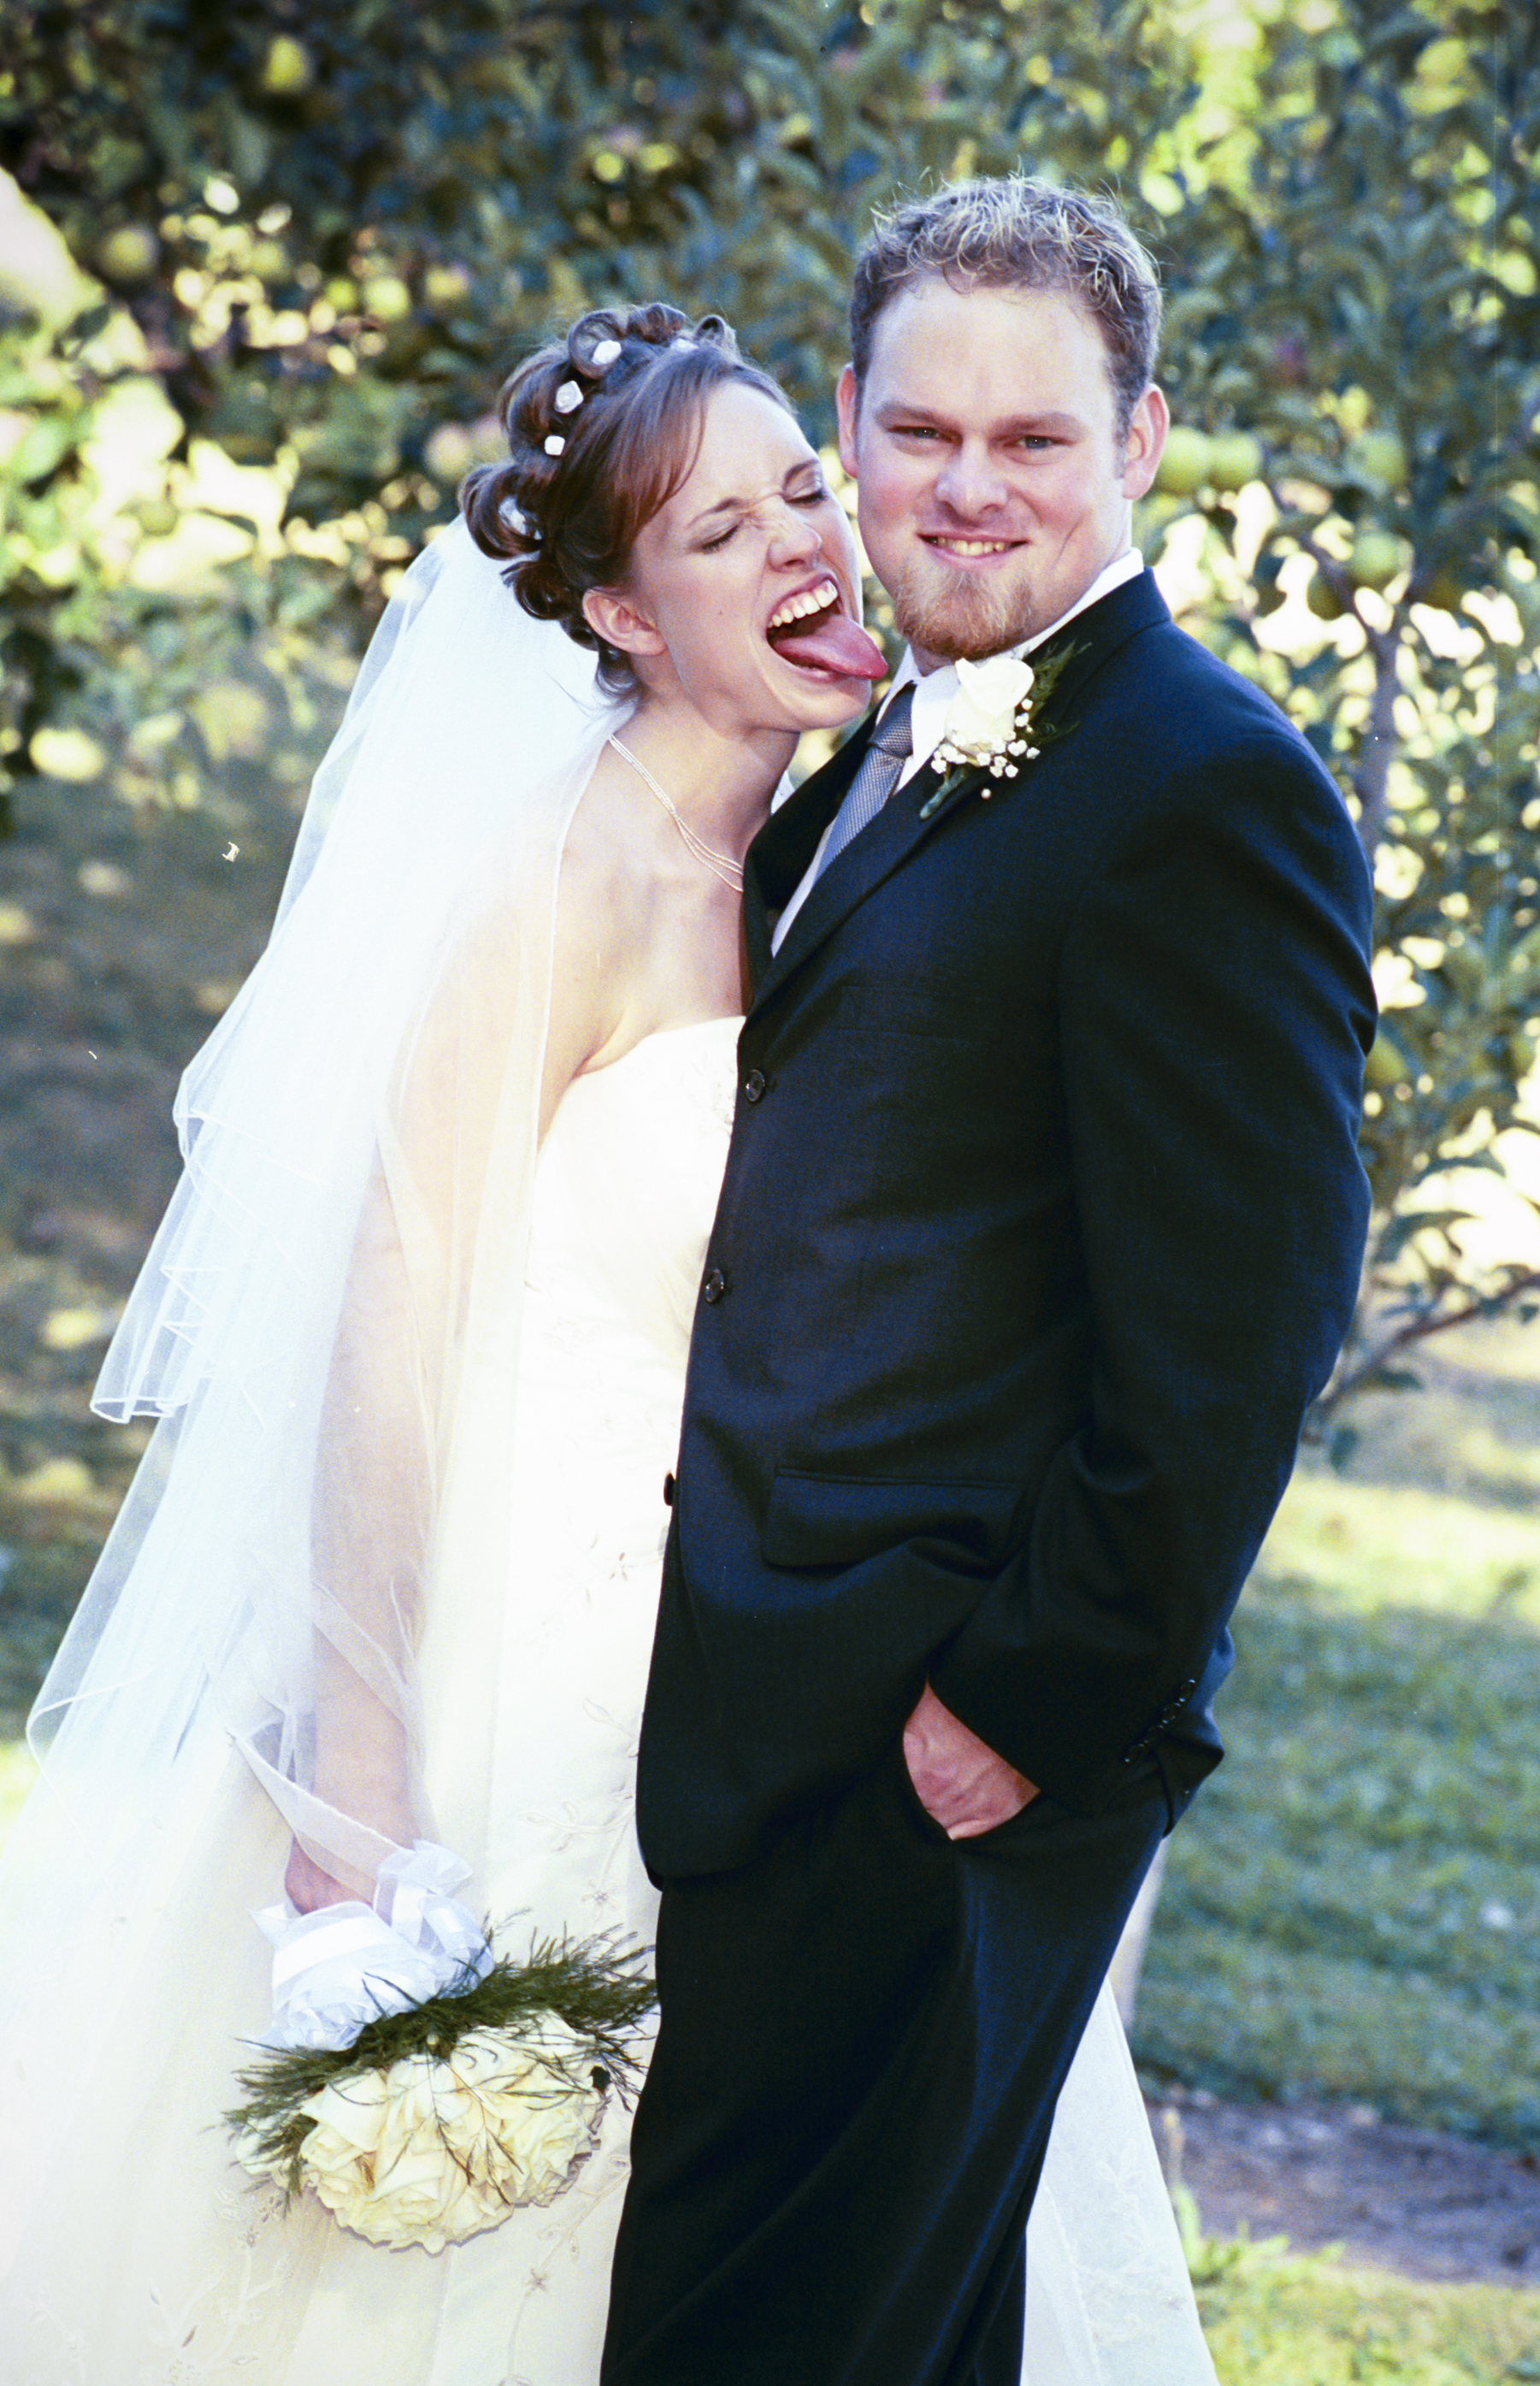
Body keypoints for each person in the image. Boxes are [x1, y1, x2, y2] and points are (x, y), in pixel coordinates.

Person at [0, 289, 1211, 2384]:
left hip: (783, 1678)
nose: (807, 546)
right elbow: (382, 1333)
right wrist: (359, 1793)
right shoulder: (556, 881)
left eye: (802, 490)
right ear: (626, 618)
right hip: (521, 1667)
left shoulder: (842, 841)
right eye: (722, 535)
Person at [604, 180, 1378, 2386]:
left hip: (938, 1736)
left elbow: (1237, 1331)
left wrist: (1027, 1704)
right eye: (919, 431)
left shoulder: (1201, 789)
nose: (965, 487)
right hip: (770, 1710)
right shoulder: (870, 736)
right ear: (845, 424)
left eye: (1030, 439)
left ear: (1138, 442)